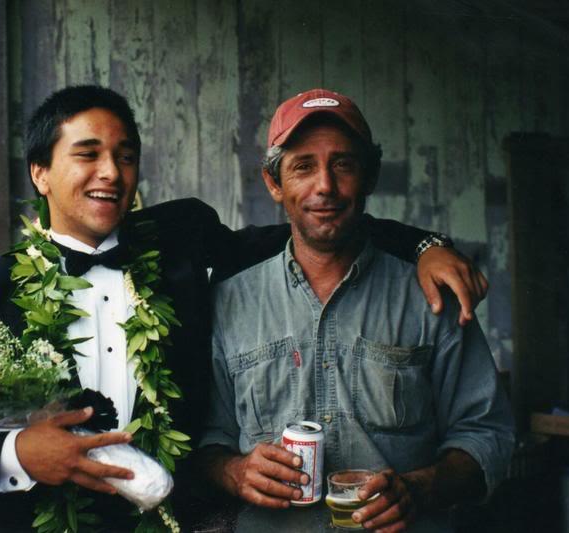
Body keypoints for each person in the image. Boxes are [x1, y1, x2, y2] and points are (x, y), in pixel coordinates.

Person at [0, 86, 488, 532]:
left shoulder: (180, 239)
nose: (110, 172)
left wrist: (423, 246)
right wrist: (19, 453)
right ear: (41, 172)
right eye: (88, 154)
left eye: (125, 156)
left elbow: (317, 221)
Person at [198, 89, 514, 532]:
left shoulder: (430, 297)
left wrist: (419, 489)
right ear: (274, 184)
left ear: (368, 177)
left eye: (343, 164)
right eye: (302, 166)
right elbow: (206, 437)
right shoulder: (230, 301)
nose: (325, 185)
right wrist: (233, 471)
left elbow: (488, 436)